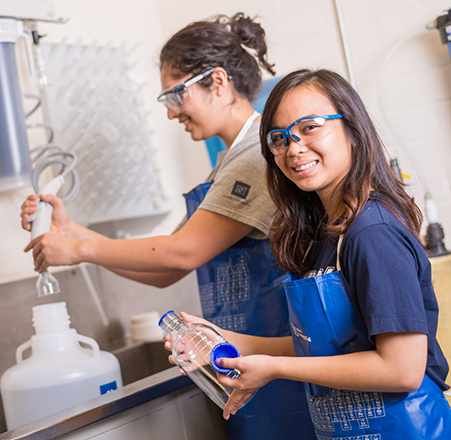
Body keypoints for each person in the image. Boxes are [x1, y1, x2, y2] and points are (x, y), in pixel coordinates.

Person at [21, 13, 316, 440]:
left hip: (277, 360)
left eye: (176, 95)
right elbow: (167, 269)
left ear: (217, 81)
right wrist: (72, 232)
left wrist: (80, 250)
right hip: (245, 359)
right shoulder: (228, 162)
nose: (173, 113)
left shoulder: (255, 154)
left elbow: (181, 252)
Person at [192, 68, 451, 438]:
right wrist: (224, 340)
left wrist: (275, 369)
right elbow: (329, 343)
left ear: (352, 131)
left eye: (310, 127)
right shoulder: (327, 233)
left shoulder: (372, 233)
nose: (294, 148)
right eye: (279, 138)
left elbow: (402, 370)